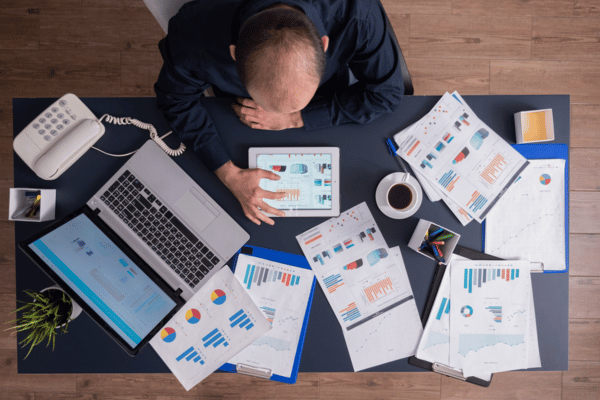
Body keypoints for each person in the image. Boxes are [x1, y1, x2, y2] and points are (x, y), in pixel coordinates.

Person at [155, 0, 405, 225]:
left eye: (295, 104)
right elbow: (175, 99)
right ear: (234, 54)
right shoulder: (195, 33)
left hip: (323, 100)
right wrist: (229, 174)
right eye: (270, 102)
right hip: (236, 113)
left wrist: (295, 118)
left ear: (324, 44)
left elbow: (386, 93)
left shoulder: (356, 12)